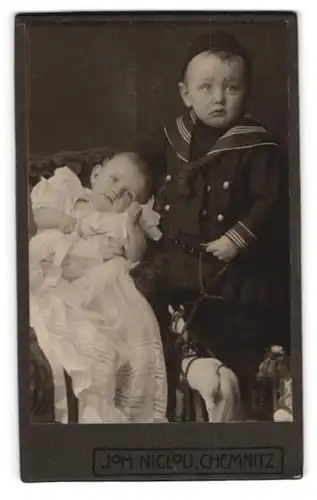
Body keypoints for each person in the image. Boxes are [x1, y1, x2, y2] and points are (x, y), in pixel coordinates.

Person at [135, 30, 290, 419]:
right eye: (205, 87)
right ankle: (190, 367)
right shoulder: (173, 137)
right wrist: (141, 206)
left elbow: (268, 202)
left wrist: (236, 239)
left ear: (246, 91)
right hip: (176, 257)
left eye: (231, 88)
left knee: (236, 324)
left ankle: (249, 387)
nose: (218, 98)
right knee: (146, 303)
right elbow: (139, 171)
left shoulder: (258, 146)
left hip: (229, 265)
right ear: (186, 94)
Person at [29, 152, 167, 424]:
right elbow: (38, 215)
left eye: (127, 193)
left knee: (116, 327)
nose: (117, 191)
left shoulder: (118, 221)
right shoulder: (69, 190)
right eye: (113, 179)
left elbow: (135, 255)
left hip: (95, 282)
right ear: (95, 175)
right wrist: (62, 221)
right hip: (57, 262)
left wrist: (131, 221)